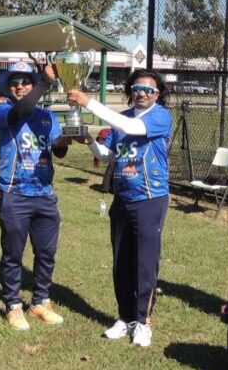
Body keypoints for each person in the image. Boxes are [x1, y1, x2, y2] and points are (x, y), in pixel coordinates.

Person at [68, 69, 172, 348]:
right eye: (137, 88)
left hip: (149, 198)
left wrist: (89, 103)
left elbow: (133, 130)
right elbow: (108, 155)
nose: (141, 93)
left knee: (145, 263)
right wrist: (89, 141)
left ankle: (143, 321)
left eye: (148, 89)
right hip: (123, 198)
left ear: (157, 94)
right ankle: (125, 318)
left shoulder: (160, 116)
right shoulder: (122, 118)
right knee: (121, 262)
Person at [0, 61, 70, 331]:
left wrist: (66, 138)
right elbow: (22, 111)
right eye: (15, 82)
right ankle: (13, 306)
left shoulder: (48, 116)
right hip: (15, 192)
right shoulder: (2, 111)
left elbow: (58, 153)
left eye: (26, 81)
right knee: (13, 254)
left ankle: (40, 302)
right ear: (9, 88)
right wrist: (44, 84)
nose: (20, 86)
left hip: (44, 194)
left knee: (46, 253)